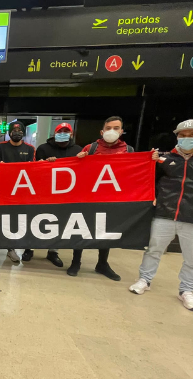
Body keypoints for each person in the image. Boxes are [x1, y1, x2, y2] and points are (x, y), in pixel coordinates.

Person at [129, 119, 193, 312]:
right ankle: (144, 279)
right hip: (164, 214)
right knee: (153, 250)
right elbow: (146, 179)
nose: (186, 138)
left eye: (192, 135)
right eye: (182, 135)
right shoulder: (165, 159)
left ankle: (187, 291)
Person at [70, 116, 134, 281]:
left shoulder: (130, 151)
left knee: (106, 231)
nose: (111, 131)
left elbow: (133, 176)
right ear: (102, 131)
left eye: (116, 128)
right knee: (81, 229)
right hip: (88, 197)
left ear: (121, 131)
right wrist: (77, 161)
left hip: (113, 198)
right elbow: (77, 172)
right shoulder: (91, 148)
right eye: (108, 128)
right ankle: (76, 262)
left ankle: (102, 263)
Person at [26, 122, 82, 268]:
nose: (63, 133)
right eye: (60, 131)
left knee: (59, 221)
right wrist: (45, 163)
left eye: (66, 131)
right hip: (43, 192)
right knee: (36, 219)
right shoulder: (43, 148)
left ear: (71, 134)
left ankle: (53, 251)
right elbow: (36, 169)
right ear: (54, 133)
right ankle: (29, 248)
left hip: (65, 194)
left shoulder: (77, 150)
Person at [0, 120, 36, 265]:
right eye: (14, 130)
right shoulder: (0, 147)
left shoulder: (30, 149)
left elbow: (34, 169)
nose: (17, 133)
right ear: (9, 133)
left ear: (23, 133)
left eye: (20, 131)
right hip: (1, 191)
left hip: (20, 192)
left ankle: (11, 248)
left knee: (13, 221)